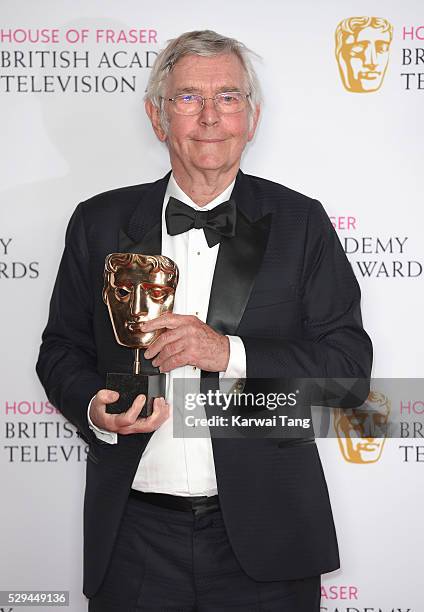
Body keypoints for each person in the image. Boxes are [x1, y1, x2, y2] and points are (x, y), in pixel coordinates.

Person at [37, 29, 373, 611]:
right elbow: (60, 349)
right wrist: (91, 404)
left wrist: (228, 353)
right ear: (156, 115)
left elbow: (347, 375)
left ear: (254, 116)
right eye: (189, 97)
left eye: (229, 98)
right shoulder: (98, 222)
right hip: (133, 537)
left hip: (269, 539)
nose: (210, 116)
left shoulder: (301, 223)